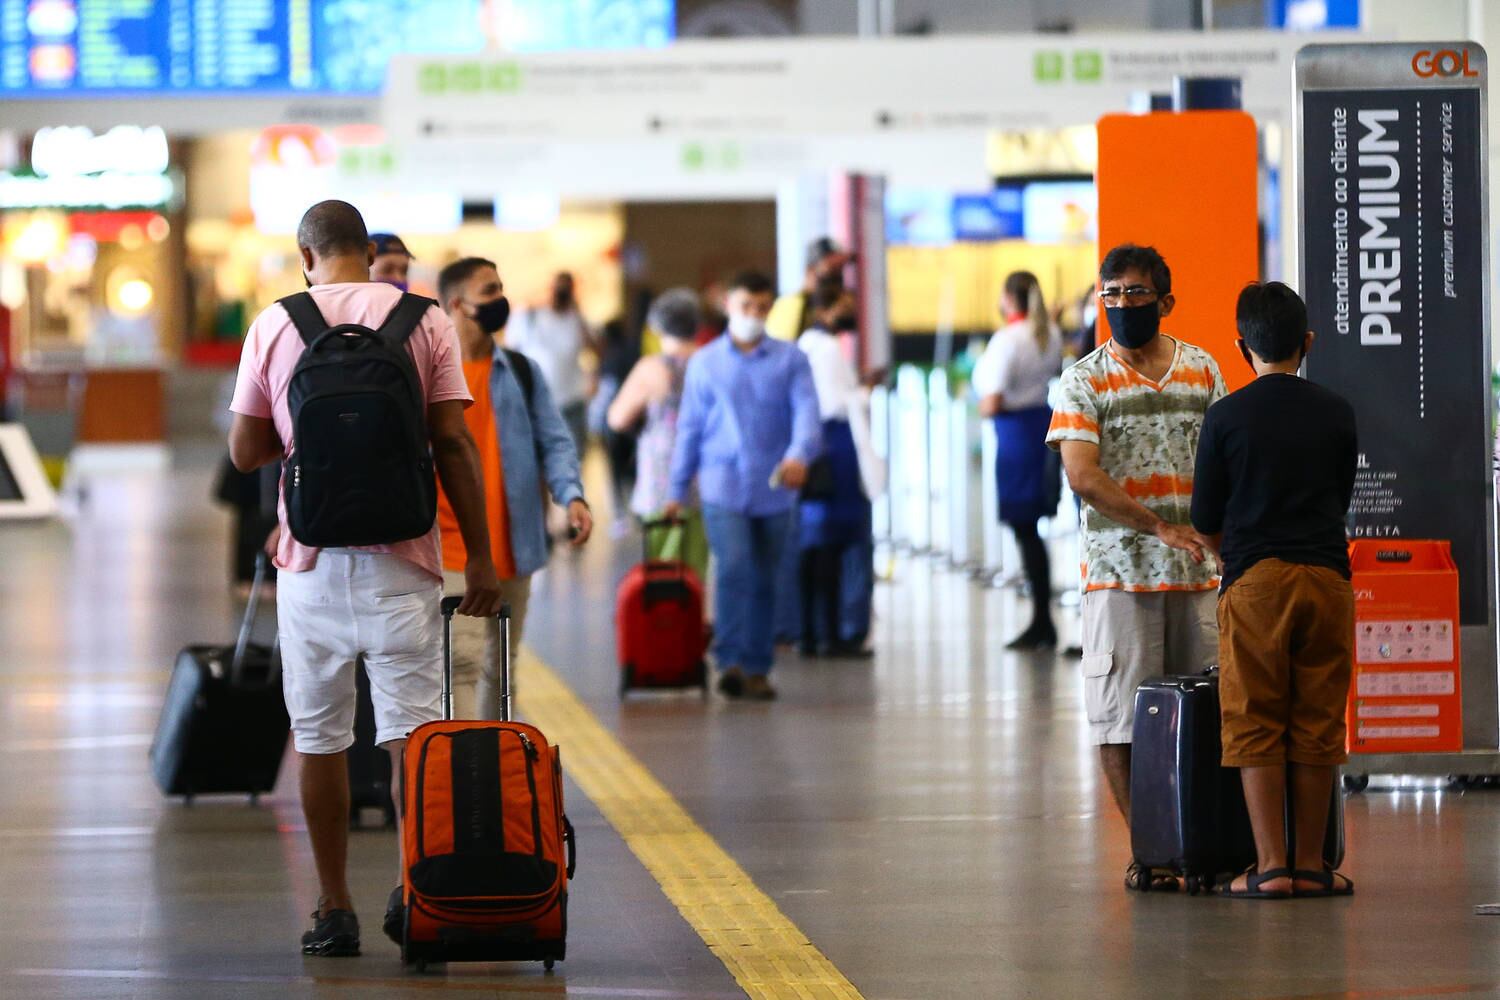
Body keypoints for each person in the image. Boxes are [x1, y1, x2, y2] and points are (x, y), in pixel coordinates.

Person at [227, 200, 502, 957]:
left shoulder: (275, 324)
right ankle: (416, 898)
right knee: (410, 737)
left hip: (311, 566)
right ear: (365, 248)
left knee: (318, 737)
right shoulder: (425, 320)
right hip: (405, 561)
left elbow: (246, 450)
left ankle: (333, 908)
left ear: (307, 255)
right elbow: (453, 445)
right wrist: (477, 557)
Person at [1044, 243, 1225, 892]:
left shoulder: (1203, 371)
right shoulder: (1083, 381)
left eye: (1136, 295)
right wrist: (1157, 526)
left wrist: (1213, 536)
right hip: (1119, 575)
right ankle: (1152, 850)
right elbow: (1083, 476)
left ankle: (1203, 841)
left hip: (1199, 576)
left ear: (1166, 302)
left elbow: (1225, 464)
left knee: (1209, 718)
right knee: (1121, 717)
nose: (1121, 306)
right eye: (1111, 294)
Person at [1191, 282, 1358, 899]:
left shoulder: (1225, 416)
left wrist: (1234, 556)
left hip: (1255, 580)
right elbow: (1338, 500)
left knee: (1255, 719)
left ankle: (1270, 869)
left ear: (1242, 348)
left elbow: (1205, 514)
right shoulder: (1337, 410)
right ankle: (1312, 865)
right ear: (1307, 343)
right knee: (1317, 722)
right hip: (1326, 579)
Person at [433, 256, 594, 720]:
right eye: (490, 290)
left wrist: (572, 495)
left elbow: (555, 438)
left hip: (513, 545)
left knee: (502, 669)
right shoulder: (427, 375)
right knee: (461, 666)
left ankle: (491, 775)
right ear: (458, 304)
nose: (500, 299)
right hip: (449, 547)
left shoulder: (521, 371)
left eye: (500, 287)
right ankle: (462, 774)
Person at [664, 270, 822, 701]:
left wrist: (798, 455)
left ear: (769, 309)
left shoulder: (791, 360)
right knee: (733, 568)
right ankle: (729, 660)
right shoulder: (705, 363)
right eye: (745, 306)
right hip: (722, 486)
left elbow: (807, 413)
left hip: (774, 487)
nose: (753, 315)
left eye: (761, 308)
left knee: (767, 577)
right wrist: (676, 490)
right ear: (728, 306)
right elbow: (690, 428)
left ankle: (757, 666)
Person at [972, 271, 1065, 650]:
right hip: (1040, 428)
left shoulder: (1007, 339)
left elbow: (991, 401)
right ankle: (1041, 616)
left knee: (1024, 529)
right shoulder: (1050, 334)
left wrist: (983, 406)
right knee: (1031, 527)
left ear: (1009, 297)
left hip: (1014, 436)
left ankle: (1042, 619)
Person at [795, 282, 881, 658]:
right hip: (839, 451)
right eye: (845, 306)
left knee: (816, 548)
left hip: (818, 453)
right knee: (840, 546)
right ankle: (838, 632)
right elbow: (836, 403)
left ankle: (814, 632)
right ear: (827, 309)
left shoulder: (803, 345)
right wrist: (865, 390)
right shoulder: (827, 348)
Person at [607, 287, 709, 580]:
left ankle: (666, 624)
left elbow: (617, 418)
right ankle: (694, 620)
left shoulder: (651, 368)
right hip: (705, 477)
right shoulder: (710, 362)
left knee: (662, 569)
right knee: (695, 567)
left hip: (661, 478)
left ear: (657, 327)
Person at [506, 271, 595, 459]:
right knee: (536, 461)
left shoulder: (576, 318)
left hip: (572, 401)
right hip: (536, 401)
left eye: (566, 289)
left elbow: (595, 349)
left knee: (573, 461)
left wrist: (578, 312)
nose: (561, 293)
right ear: (550, 288)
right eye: (558, 288)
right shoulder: (529, 317)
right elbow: (510, 353)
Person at [591, 318, 639, 537]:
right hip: (636, 421)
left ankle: (619, 516)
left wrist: (596, 423)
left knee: (614, 471)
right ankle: (638, 509)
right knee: (634, 467)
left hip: (613, 421)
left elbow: (604, 393)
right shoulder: (634, 354)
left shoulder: (608, 359)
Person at [766, 236, 852, 342]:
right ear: (810, 270)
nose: (838, 276)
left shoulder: (834, 302)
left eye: (840, 268)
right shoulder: (791, 305)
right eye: (832, 269)